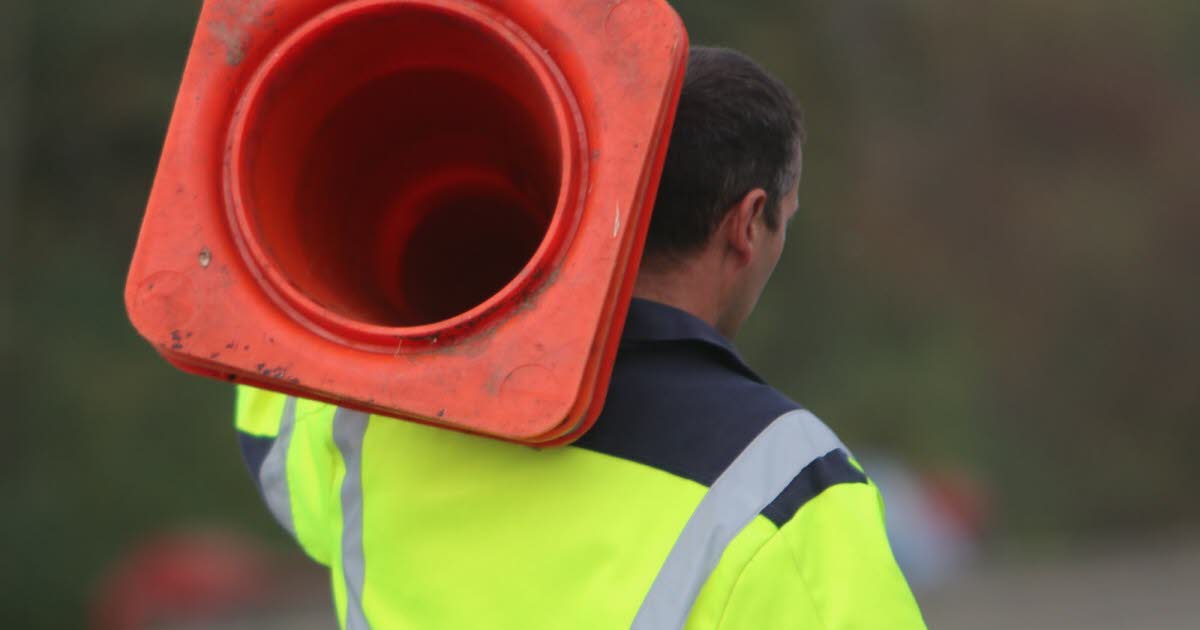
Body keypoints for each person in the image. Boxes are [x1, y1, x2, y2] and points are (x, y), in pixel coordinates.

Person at [235, 46, 925, 629]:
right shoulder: (787, 482)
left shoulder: (376, 419)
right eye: (786, 220)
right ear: (747, 223)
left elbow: (267, 398)